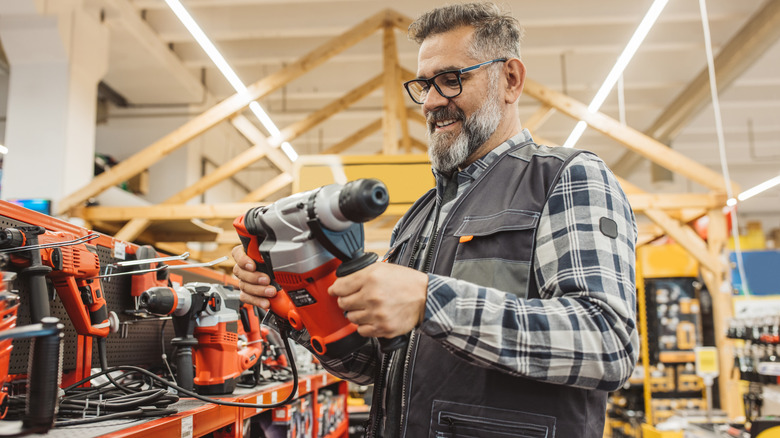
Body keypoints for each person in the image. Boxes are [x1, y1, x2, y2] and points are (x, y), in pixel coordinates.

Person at [233, 3, 638, 437]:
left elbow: (606, 343)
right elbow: (373, 365)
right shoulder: (419, 217)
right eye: (424, 85)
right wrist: (291, 300)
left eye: (450, 80)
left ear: (511, 79)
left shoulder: (565, 178)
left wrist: (430, 300)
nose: (430, 103)